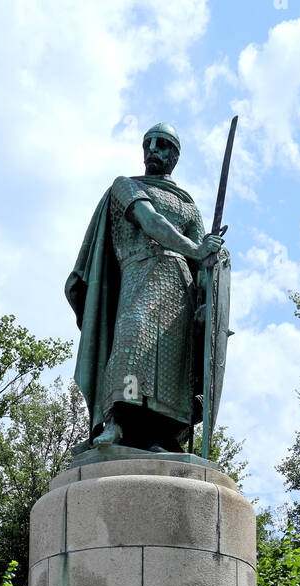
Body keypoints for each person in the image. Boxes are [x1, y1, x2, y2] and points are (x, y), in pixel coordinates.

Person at [65, 123, 225, 453]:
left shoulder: (188, 206)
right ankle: (120, 422)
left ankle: (161, 437)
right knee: (131, 343)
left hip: (179, 288)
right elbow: (151, 222)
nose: (153, 149)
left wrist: (211, 269)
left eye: (163, 144)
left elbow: (203, 264)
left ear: (176, 155)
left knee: (172, 366)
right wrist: (197, 249)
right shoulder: (125, 186)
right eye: (148, 143)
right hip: (139, 277)